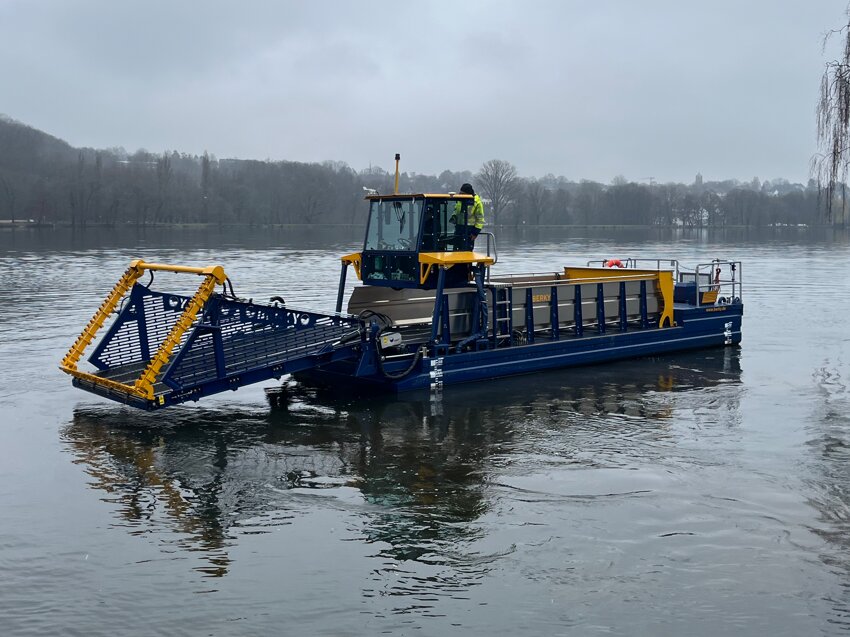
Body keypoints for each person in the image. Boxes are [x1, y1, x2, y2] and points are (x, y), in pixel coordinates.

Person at [450, 183, 485, 250]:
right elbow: (456, 210)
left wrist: (475, 232)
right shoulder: (460, 200)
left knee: (467, 251)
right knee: (456, 250)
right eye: (460, 193)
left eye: (462, 193)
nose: (460, 194)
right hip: (458, 228)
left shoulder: (476, 202)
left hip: (469, 231)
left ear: (468, 193)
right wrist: (453, 217)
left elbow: (480, 219)